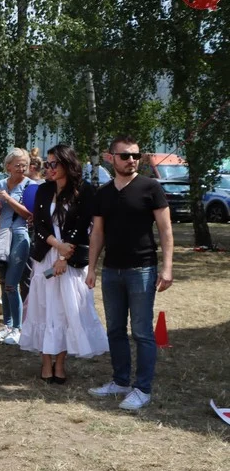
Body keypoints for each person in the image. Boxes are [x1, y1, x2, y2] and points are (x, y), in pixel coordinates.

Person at [87, 135, 173, 411]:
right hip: (112, 270)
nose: (132, 160)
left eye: (136, 155)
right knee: (114, 329)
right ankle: (120, 381)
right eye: (125, 156)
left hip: (142, 269)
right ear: (111, 158)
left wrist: (167, 268)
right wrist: (92, 268)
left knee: (142, 332)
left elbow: (166, 230)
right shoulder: (103, 193)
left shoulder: (151, 187)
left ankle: (142, 388)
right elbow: (97, 233)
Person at [19, 144, 108, 382]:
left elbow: (82, 230)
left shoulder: (84, 191)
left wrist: (63, 257)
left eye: (53, 164)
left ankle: (60, 364)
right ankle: (45, 363)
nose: (49, 169)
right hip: (45, 256)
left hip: (71, 259)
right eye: (47, 164)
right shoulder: (43, 190)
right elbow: (38, 225)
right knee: (44, 309)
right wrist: (56, 247)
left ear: (67, 163)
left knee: (65, 311)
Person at [0, 148, 34, 346]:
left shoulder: (30, 186)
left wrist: (7, 199)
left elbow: (29, 214)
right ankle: (7, 326)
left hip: (20, 236)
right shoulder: (0, 184)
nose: (21, 168)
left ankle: (18, 328)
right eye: (17, 165)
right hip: (1, 236)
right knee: (4, 284)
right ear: (8, 166)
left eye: (24, 165)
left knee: (11, 283)